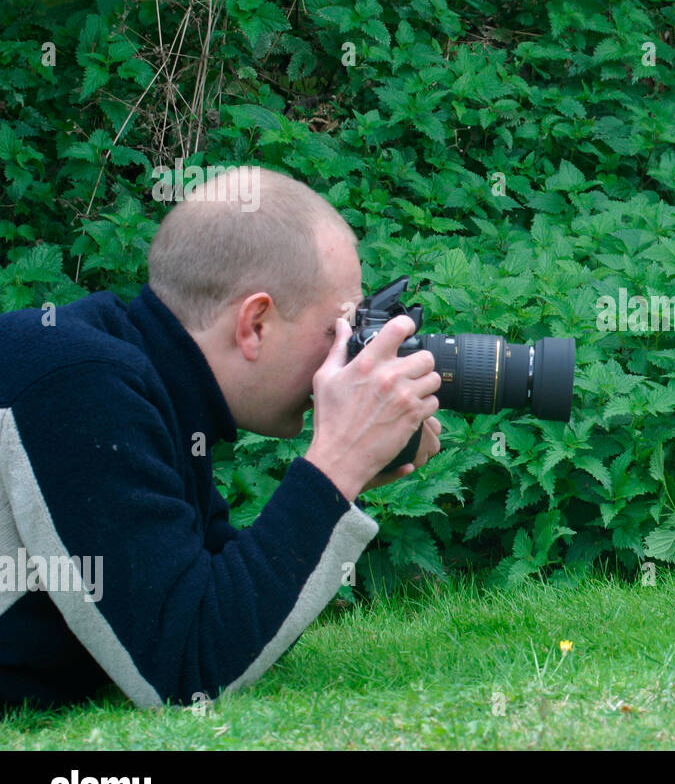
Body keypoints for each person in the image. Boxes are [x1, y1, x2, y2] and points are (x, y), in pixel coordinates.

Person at [0, 166, 441, 711]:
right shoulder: (78, 381)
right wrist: (336, 467)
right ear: (255, 323)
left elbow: (223, 617)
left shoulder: (147, 385)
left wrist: (345, 479)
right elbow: (188, 671)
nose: (346, 356)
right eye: (338, 331)